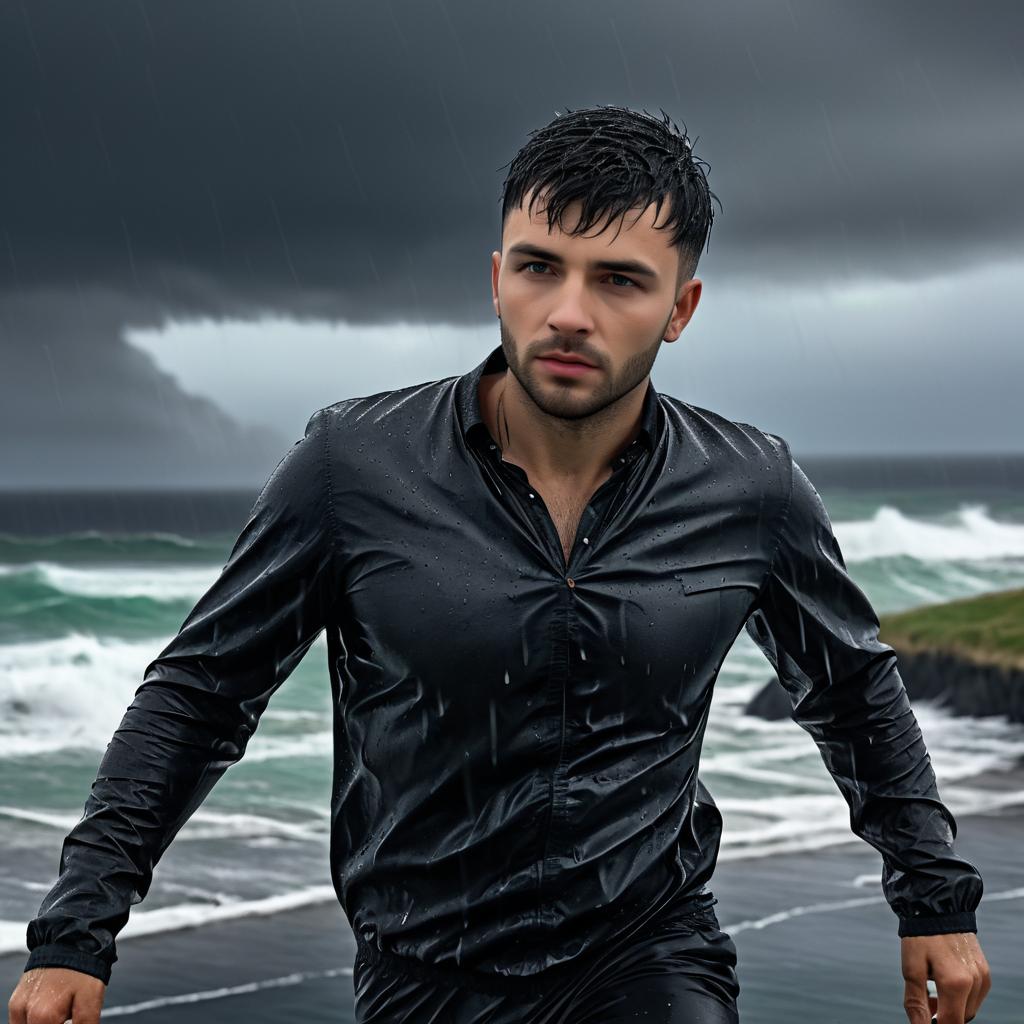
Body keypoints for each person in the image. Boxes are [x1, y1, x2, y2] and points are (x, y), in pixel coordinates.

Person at [8, 105, 991, 1024]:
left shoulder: (752, 485)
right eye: (538, 268)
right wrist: (76, 931)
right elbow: (201, 695)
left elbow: (852, 691)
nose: (568, 312)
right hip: (424, 970)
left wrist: (933, 900)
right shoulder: (352, 467)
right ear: (495, 279)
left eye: (617, 279)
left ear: (680, 306)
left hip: (649, 950)